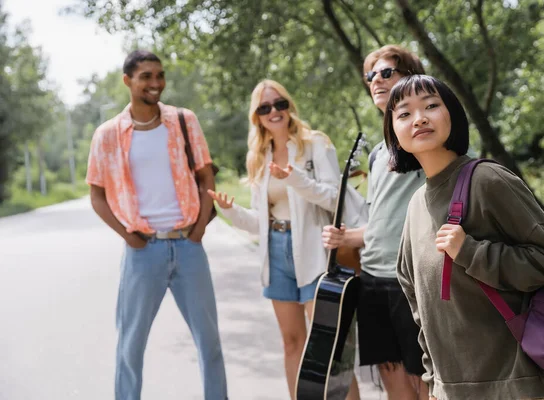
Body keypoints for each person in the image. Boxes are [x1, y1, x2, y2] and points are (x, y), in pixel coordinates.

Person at [386, 74, 544, 400]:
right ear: (395, 136)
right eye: (404, 113)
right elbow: (417, 303)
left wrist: (470, 251)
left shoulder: (488, 180)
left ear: (453, 117)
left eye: (431, 105)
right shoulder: (416, 204)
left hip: (519, 388)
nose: (420, 118)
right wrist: (434, 382)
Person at [86, 50, 227, 400]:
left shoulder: (183, 120)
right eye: (146, 76)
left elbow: (205, 174)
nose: (155, 83)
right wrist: (129, 238)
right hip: (142, 251)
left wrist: (198, 231)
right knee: (130, 346)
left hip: (188, 247)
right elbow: (97, 196)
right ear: (127, 81)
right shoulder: (107, 135)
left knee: (209, 342)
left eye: (159, 75)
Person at [208, 79, 360, 400]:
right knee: (292, 344)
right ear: (257, 117)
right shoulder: (258, 156)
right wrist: (230, 211)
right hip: (277, 252)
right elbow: (258, 222)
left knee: (330, 347)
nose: (273, 111)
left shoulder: (315, 144)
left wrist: (294, 178)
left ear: (289, 106)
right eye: (265, 108)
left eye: (279, 104)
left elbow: (336, 199)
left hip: (315, 251)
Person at [322, 45, 428, 400]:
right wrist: (346, 238)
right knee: (390, 375)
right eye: (371, 76)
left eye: (386, 73)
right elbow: (381, 224)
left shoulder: (424, 140)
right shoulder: (378, 153)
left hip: (410, 280)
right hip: (373, 279)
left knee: (424, 380)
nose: (376, 81)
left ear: (411, 79)